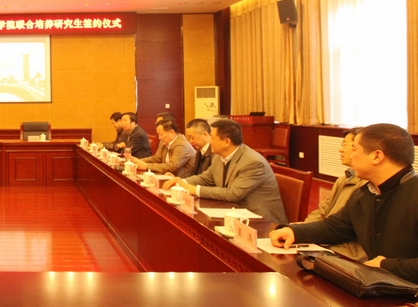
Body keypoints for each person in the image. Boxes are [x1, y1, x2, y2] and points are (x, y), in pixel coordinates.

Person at [270, 124, 418, 283]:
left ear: (376, 156)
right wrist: (294, 232)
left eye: (354, 149)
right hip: (380, 283)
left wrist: (386, 265)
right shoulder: (366, 192)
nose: (351, 156)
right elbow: (336, 227)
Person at [163, 119, 287, 224]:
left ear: (227, 142)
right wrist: (181, 182)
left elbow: (233, 193)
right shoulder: (219, 156)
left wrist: (195, 190)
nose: (209, 141)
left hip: (261, 222)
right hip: (233, 213)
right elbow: (206, 178)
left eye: (212, 137)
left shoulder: (253, 163)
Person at [298, 128, 367, 260]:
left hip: (344, 252)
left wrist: (307, 232)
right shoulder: (344, 179)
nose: (340, 150)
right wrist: (305, 228)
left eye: (345, 145)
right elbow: (323, 210)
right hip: (326, 239)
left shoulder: (368, 186)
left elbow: (341, 228)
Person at [128, 119, 196, 177]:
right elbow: (157, 158)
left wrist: (146, 166)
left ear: (172, 132)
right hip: (168, 176)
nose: (159, 137)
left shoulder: (181, 145)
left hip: (183, 180)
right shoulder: (164, 142)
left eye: (161, 134)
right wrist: (138, 161)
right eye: (158, 134)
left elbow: (172, 166)